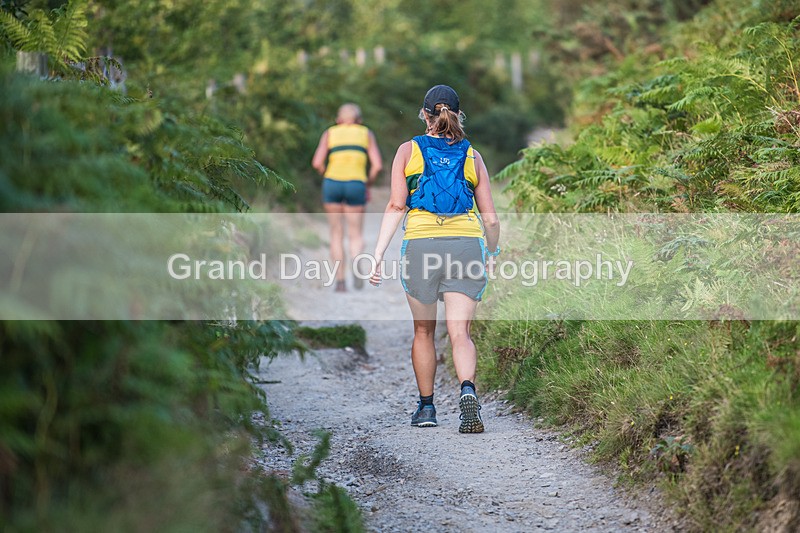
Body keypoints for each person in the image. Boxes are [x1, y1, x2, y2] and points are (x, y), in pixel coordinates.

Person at [369, 85, 500, 433]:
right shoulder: (473, 155)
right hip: (466, 245)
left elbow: (396, 205)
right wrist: (491, 252)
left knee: (424, 330)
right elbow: (490, 219)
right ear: (458, 115)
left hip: (421, 245)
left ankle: (427, 408)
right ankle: (467, 391)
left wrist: (378, 253)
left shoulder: (408, 150)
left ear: (424, 114)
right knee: (460, 332)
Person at [312, 103, 383, 292]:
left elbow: (317, 162)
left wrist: (327, 174)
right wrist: (368, 183)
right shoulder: (366, 133)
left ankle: (341, 282)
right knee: (355, 234)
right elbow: (377, 166)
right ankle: (356, 263)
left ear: (338, 120)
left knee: (336, 233)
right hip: (356, 184)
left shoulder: (330, 133)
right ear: (359, 120)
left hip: (332, 183)